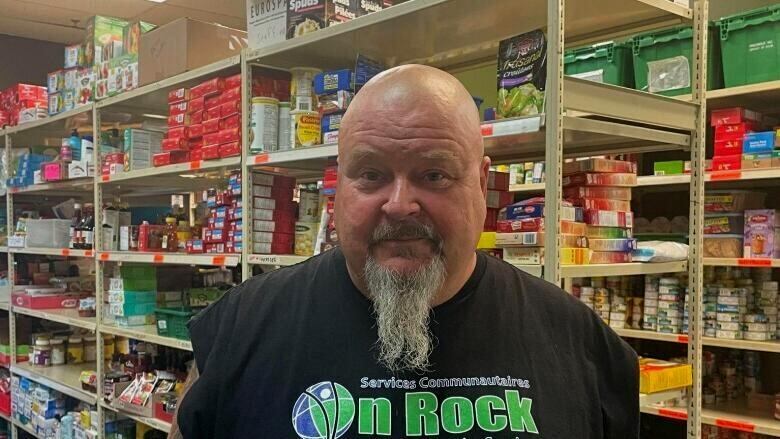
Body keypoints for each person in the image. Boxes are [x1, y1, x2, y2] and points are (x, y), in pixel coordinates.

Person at [172, 65, 639, 439]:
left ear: (480, 184)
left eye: (434, 174)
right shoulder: (242, 328)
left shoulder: (582, 344)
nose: (399, 204)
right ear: (339, 186)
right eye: (371, 174)